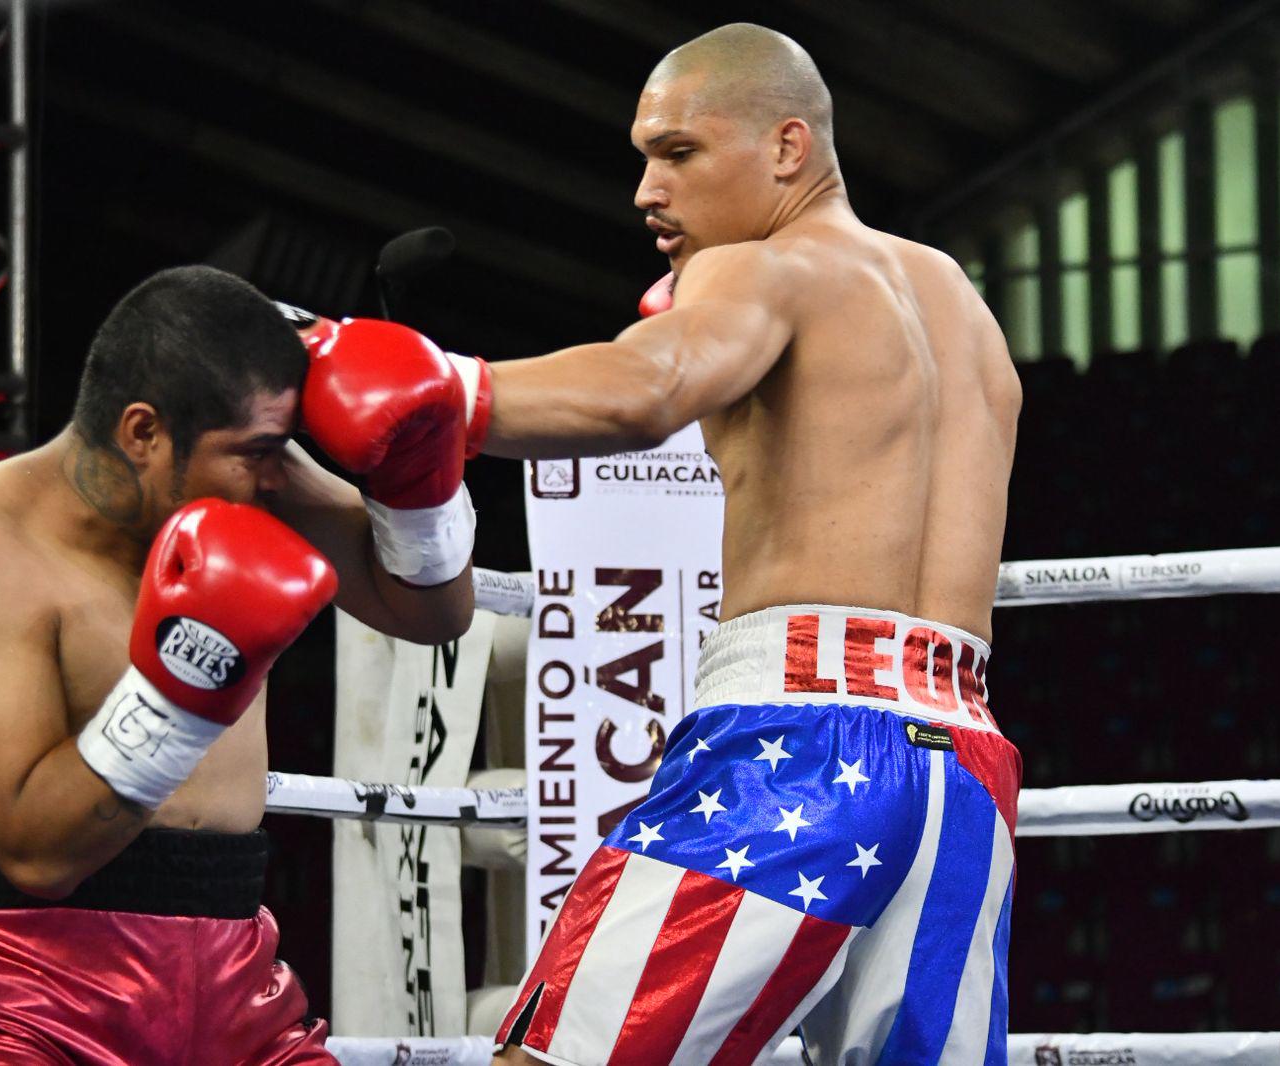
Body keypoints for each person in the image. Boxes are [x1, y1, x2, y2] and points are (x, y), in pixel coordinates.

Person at [304, 22, 1023, 1066]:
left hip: (800, 746)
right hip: (963, 767)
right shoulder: (962, 308)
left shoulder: (767, 269)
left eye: (676, 152)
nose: (645, 191)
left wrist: (434, 384)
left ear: (787, 147)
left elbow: (647, 389)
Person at [0, 265, 479, 1064]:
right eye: (253, 452)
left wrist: (417, 485)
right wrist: (186, 686)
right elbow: (38, 856)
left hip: (229, 964)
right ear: (143, 432)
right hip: (7, 977)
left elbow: (433, 613)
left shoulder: (255, 481)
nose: (273, 478)